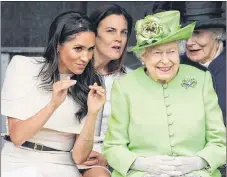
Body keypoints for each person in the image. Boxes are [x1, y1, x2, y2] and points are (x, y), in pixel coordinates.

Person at [103, 10, 226, 177]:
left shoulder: (201, 79)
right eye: (157, 53)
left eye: (171, 51)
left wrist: (198, 162)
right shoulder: (125, 86)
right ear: (143, 56)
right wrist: (142, 165)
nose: (165, 60)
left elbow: (220, 141)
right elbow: (113, 146)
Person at [1, 11, 106, 177]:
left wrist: (93, 113)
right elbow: (17, 136)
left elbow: (79, 157)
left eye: (90, 49)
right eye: (78, 49)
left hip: (63, 164)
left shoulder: (91, 82)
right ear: (58, 44)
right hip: (18, 160)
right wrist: (53, 105)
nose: (85, 57)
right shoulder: (23, 67)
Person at [77, 4, 133, 177]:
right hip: (71, 154)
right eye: (111, 30)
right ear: (94, 34)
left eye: (124, 32)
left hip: (111, 159)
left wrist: (108, 158)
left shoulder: (131, 80)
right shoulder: (73, 73)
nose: (119, 38)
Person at [177, 2, 226, 126]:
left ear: (217, 34)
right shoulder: (175, 67)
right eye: (186, 34)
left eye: (197, 33)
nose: (189, 42)